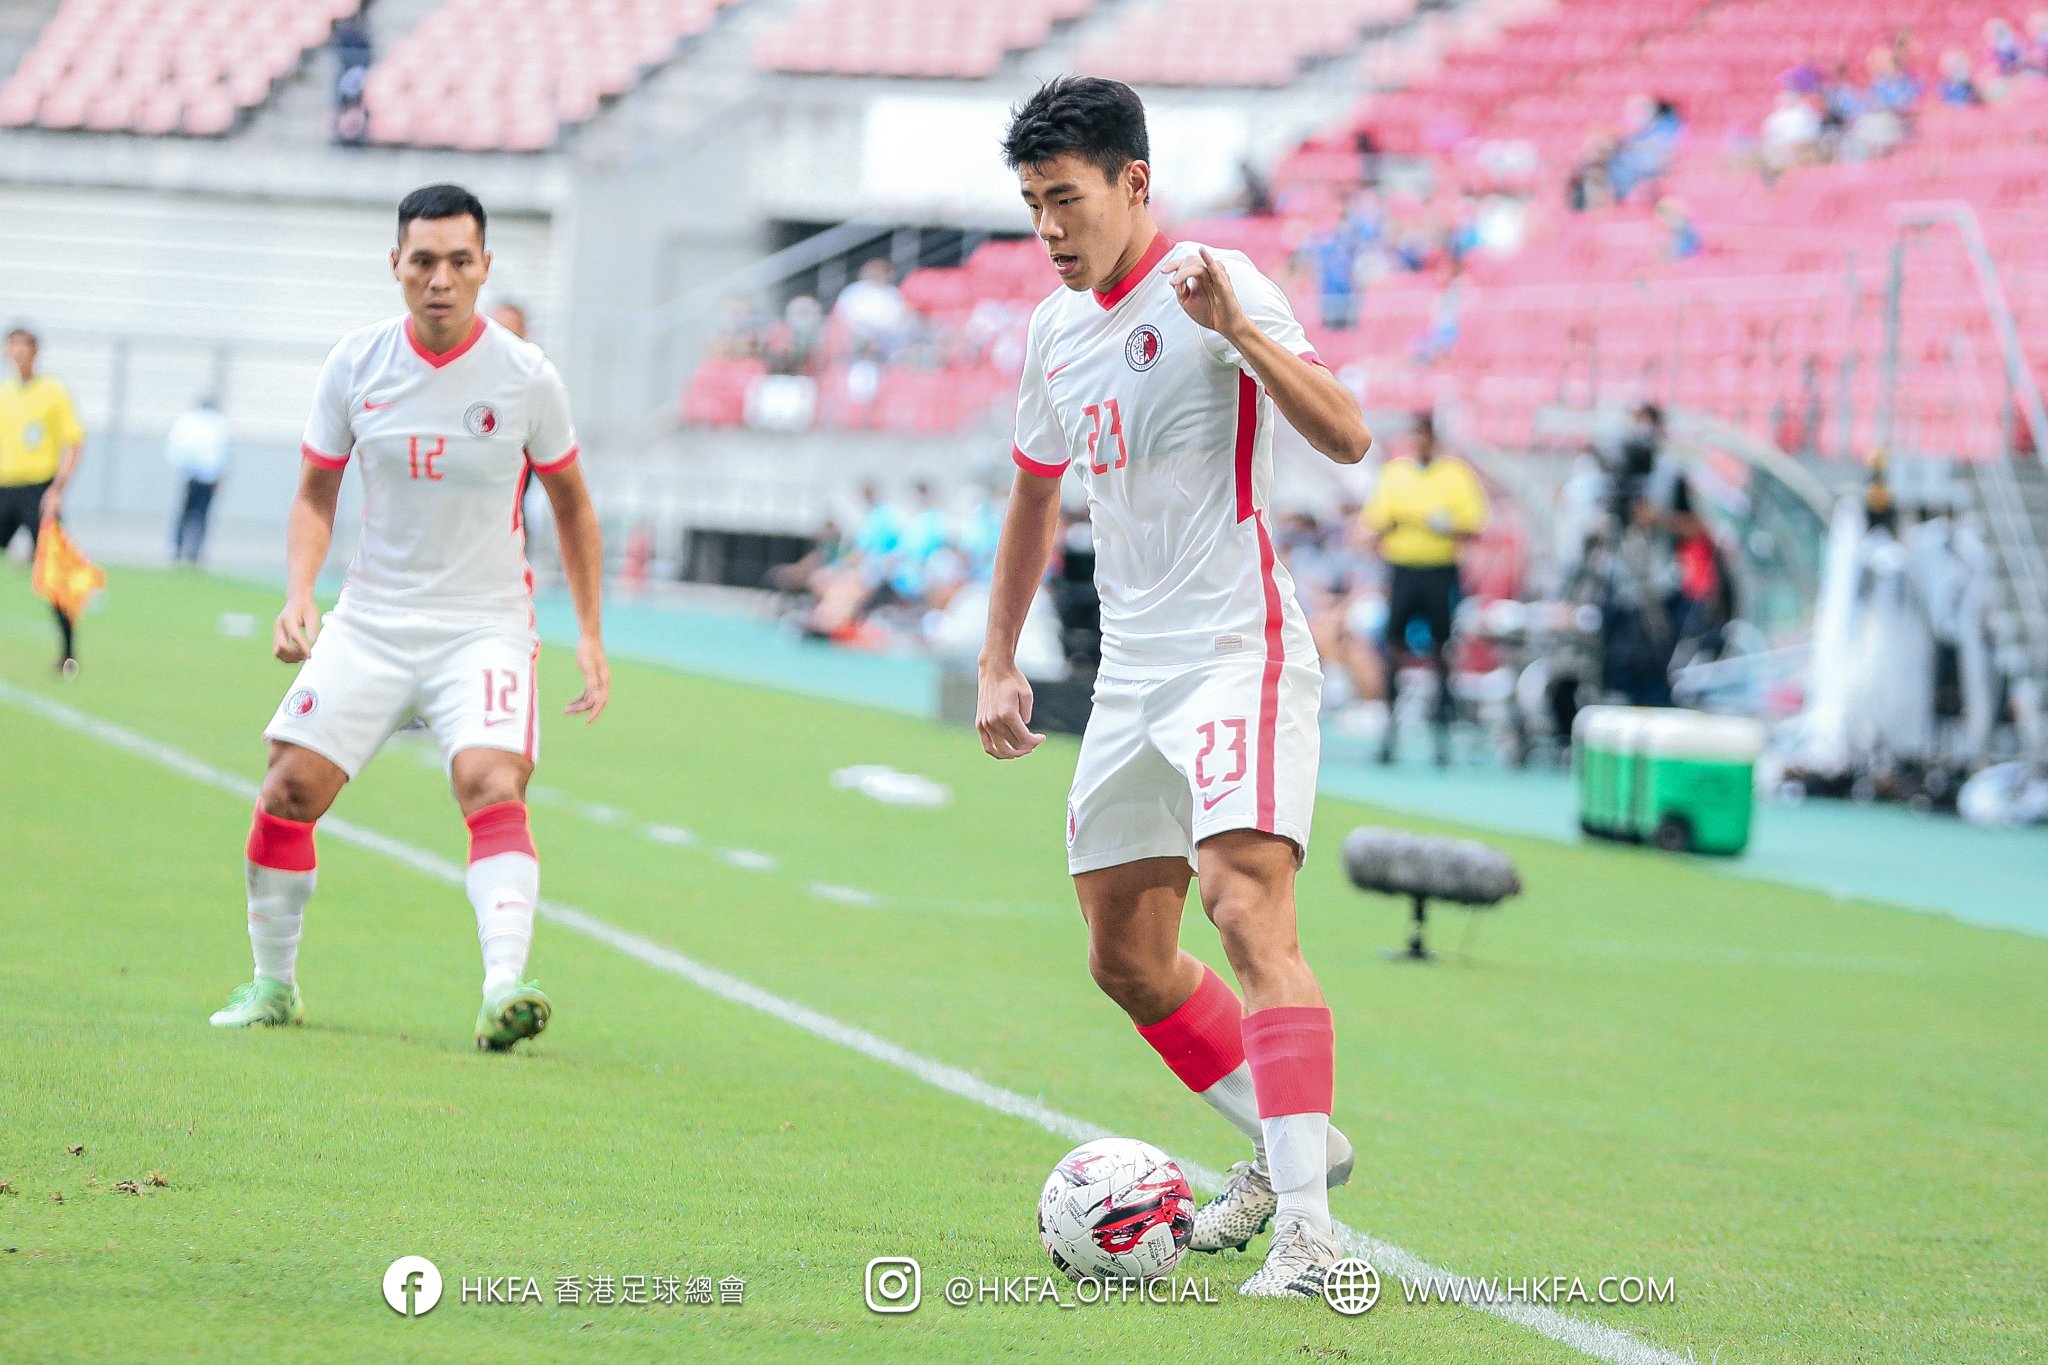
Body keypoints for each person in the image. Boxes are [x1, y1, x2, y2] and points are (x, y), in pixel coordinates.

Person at [976, 77, 1374, 1298]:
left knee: (1245, 909)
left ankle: (1306, 1233)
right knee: (1125, 956)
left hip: (1233, 650)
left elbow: (1348, 434)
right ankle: (1290, 1135)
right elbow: (1034, 491)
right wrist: (997, 658)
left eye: (1066, 199)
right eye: (1032, 205)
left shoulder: (1217, 282)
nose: (1049, 229)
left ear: (1132, 183)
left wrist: (1238, 334)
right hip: (1130, 671)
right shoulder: (1053, 331)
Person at [206, 184, 610, 1052]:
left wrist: (589, 632)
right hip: (372, 620)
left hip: (484, 625)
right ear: (395, 264)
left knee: (491, 782)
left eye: (459, 261)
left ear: (485, 266)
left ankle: (504, 988)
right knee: (287, 789)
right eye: (423, 260)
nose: (440, 279)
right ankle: (274, 987)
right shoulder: (355, 364)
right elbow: (315, 494)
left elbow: (573, 505)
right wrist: (299, 593)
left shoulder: (526, 376)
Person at [1360, 412, 1487, 766]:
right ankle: (1389, 733)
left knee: (1442, 651)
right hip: (1403, 571)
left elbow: (1473, 525)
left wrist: (1439, 525)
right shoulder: (1395, 474)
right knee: (1394, 649)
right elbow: (1375, 523)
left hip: (1440, 571)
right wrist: (1396, 526)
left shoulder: (1456, 475)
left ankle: (1441, 736)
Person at [0, 325, 86, 675]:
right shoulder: (5, 393)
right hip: (5, 490)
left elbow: (74, 441)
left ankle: (68, 654)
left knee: (55, 572)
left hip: (39, 492)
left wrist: (57, 490)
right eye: (13, 346)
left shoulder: (53, 391)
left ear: (35, 351)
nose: (18, 353)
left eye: (25, 347)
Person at [165, 395, 230, 565]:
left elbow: (176, 447)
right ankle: (193, 551)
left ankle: (179, 548)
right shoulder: (218, 423)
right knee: (200, 515)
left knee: (186, 514)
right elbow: (222, 453)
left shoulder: (189, 421)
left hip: (192, 474)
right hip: (208, 476)